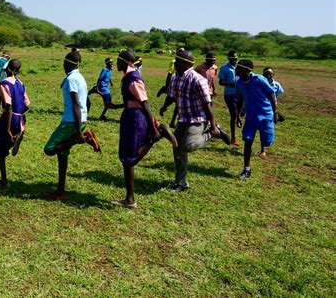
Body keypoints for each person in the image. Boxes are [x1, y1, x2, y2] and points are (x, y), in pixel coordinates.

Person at [113, 50, 177, 208]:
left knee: (128, 158)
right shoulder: (128, 77)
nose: (117, 63)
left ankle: (130, 199)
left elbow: (145, 102)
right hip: (129, 115)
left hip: (135, 118)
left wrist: (153, 126)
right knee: (127, 158)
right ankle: (129, 199)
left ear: (127, 62)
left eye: (119, 60)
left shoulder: (134, 78)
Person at [160, 49, 230, 192]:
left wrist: (212, 126)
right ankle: (181, 183)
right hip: (184, 118)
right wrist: (164, 107)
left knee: (188, 145)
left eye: (177, 61)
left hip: (198, 118)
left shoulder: (198, 80)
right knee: (177, 147)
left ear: (185, 64)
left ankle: (215, 131)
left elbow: (207, 104)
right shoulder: (176, 77)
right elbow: (172, 96)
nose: (174, 63)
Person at [43, 49, 101, 201]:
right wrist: (84, 118)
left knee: (49, 149)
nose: (62, 64)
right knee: (62, 154)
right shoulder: (80, 77)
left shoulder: (70, 80)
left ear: (68, 64)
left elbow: (76, 104)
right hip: (80, 120)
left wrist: (78, 132)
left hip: (71, 122)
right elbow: (86, 102)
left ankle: (81, 138)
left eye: (64, 62)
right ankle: (60, 191)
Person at [0, 59, 30, 187]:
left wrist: (7, 128)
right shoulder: (21, 83)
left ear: (7, 69)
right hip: (20, 119)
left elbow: (7, 106)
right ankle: (14, 139)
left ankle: (4, 180)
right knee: (0, 145)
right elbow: (27, 105)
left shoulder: (4, 84)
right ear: (18, 71)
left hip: (9, 118)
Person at [235, 60, 277, 179]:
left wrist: (275, 112)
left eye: (239, 68)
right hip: (251, 117)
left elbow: (271, 95)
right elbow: (240, 100)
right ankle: (246, 169)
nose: (236, 70)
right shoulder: (239, 83)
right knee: (247, 141)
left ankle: (264, 146)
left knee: (267, 141)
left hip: (265, 115)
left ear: (246, 70)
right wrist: (238, 115)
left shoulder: (259, 80)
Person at [259, 66, 284, 158]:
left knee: (269, 128)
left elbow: (276, 96)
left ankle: (275, 121)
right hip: (262, 109)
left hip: (272, 109)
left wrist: (275, 109)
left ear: (273, 75)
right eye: (266, 74)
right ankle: (262, 150)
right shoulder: (260, 84)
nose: (268, 76)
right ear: (263, 75)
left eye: (270, 74)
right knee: (263, 129)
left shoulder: (276, 85)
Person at [218, 50, 240, 146]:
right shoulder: (224, 68)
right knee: (233, 115)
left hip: (240, 94)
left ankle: (238, 119)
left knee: (240, 113)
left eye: (235, 59)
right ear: (228, 59)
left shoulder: (240, 67)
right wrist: (229, 84)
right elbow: (220, 82)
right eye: (232, 59)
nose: (234, 61)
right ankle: (233, 138)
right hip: (229, 95)